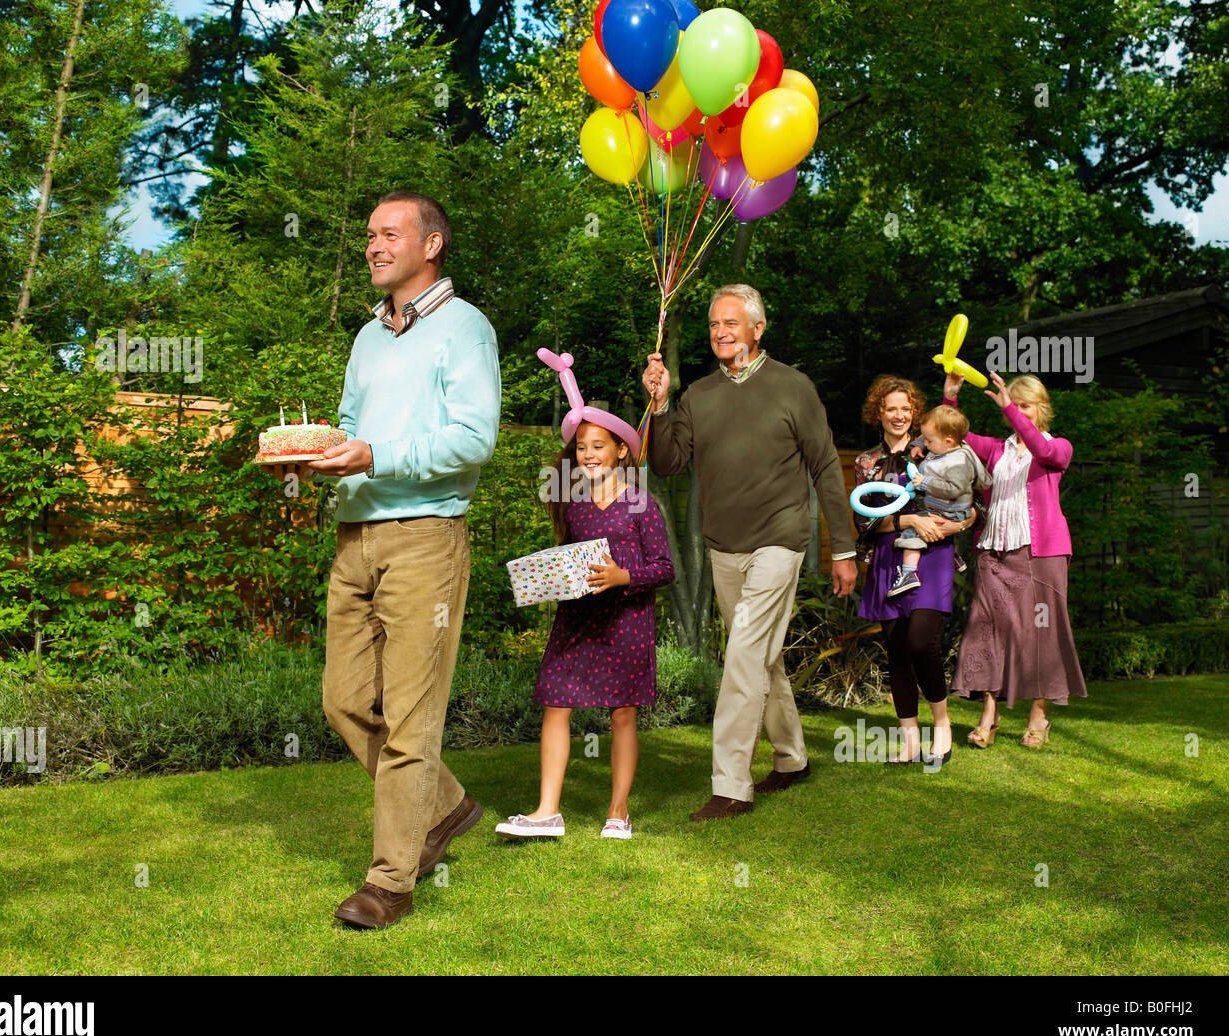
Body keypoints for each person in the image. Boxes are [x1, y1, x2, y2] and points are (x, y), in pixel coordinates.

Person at [293, 191, 501, 930]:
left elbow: (474, 438)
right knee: (345, 701)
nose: (374, 244)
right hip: (356, 536)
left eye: (389, 233)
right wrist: (324, 454)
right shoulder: (366, 338)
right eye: (370, 234)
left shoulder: (466, 328)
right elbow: (350, 425)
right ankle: (445, 806)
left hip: (425, 538)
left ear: (431, 243)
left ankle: (392, 880)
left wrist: (378, 455)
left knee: (412, 717)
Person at [642, 283, 857, 821]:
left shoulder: (793, 387)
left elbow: (828, 468)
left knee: (741, 658)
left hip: (780, 540)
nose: (720, 333)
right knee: (763, 657)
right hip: (724, 548)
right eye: (714, 324)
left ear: (758, 330)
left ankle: (731, 785)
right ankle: (792, 759)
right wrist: (662, 404)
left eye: (731, 323)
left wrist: (843, 549)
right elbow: (668, 463)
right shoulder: (698, 395)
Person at [496, 415, 673, 842]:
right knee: (555, 703)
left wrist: (622, 577)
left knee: (622, 713)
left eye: (598, 446)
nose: (588, 455)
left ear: (622, 451)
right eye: (581, 448)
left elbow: (664, 568)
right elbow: (572, 561)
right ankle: (547, 812)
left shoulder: (641, 504)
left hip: (626, 623)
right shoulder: (574, 505)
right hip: (576, 620)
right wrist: (550, 578)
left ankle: (618, 813)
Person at [944, 371, 1087, 748]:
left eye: (1026, 406)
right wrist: (950, 399)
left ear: (1041, 410)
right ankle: (988, 717)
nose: (1018, 412)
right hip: (995, 551)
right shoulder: (995, 448)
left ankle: (1039, 717)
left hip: (1043, 554)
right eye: (1015, 404)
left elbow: (1041, 450)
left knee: (1042, 634)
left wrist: (1008, 406)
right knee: (986, 630)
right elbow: (954, 439)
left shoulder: (1058, 447)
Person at [854, 376, 974, 767]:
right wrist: (907, 519)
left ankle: (941, 724)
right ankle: (909, 741)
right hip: (888, 560)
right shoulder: (866, 462)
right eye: (892, 408)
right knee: (898, 650)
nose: (900, 415)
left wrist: (956, 525)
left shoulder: (937, 449)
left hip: (934, 555)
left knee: (922, 641)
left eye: (906, 408)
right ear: (879, 413)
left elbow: (975, 506)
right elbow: (864, 522)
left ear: (915, 413)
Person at [888, 405, 990, 598]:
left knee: (912, 532)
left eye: (929, 441)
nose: (926, 443)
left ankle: (909, 574)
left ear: (948, 441)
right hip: (945, 508)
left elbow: (954, 489)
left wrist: (924, 482)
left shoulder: (958, 462)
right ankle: (955, 557)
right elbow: (932, 432)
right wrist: (918, 445)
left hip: (951, 511)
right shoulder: (946, 445)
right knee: (930, 527)